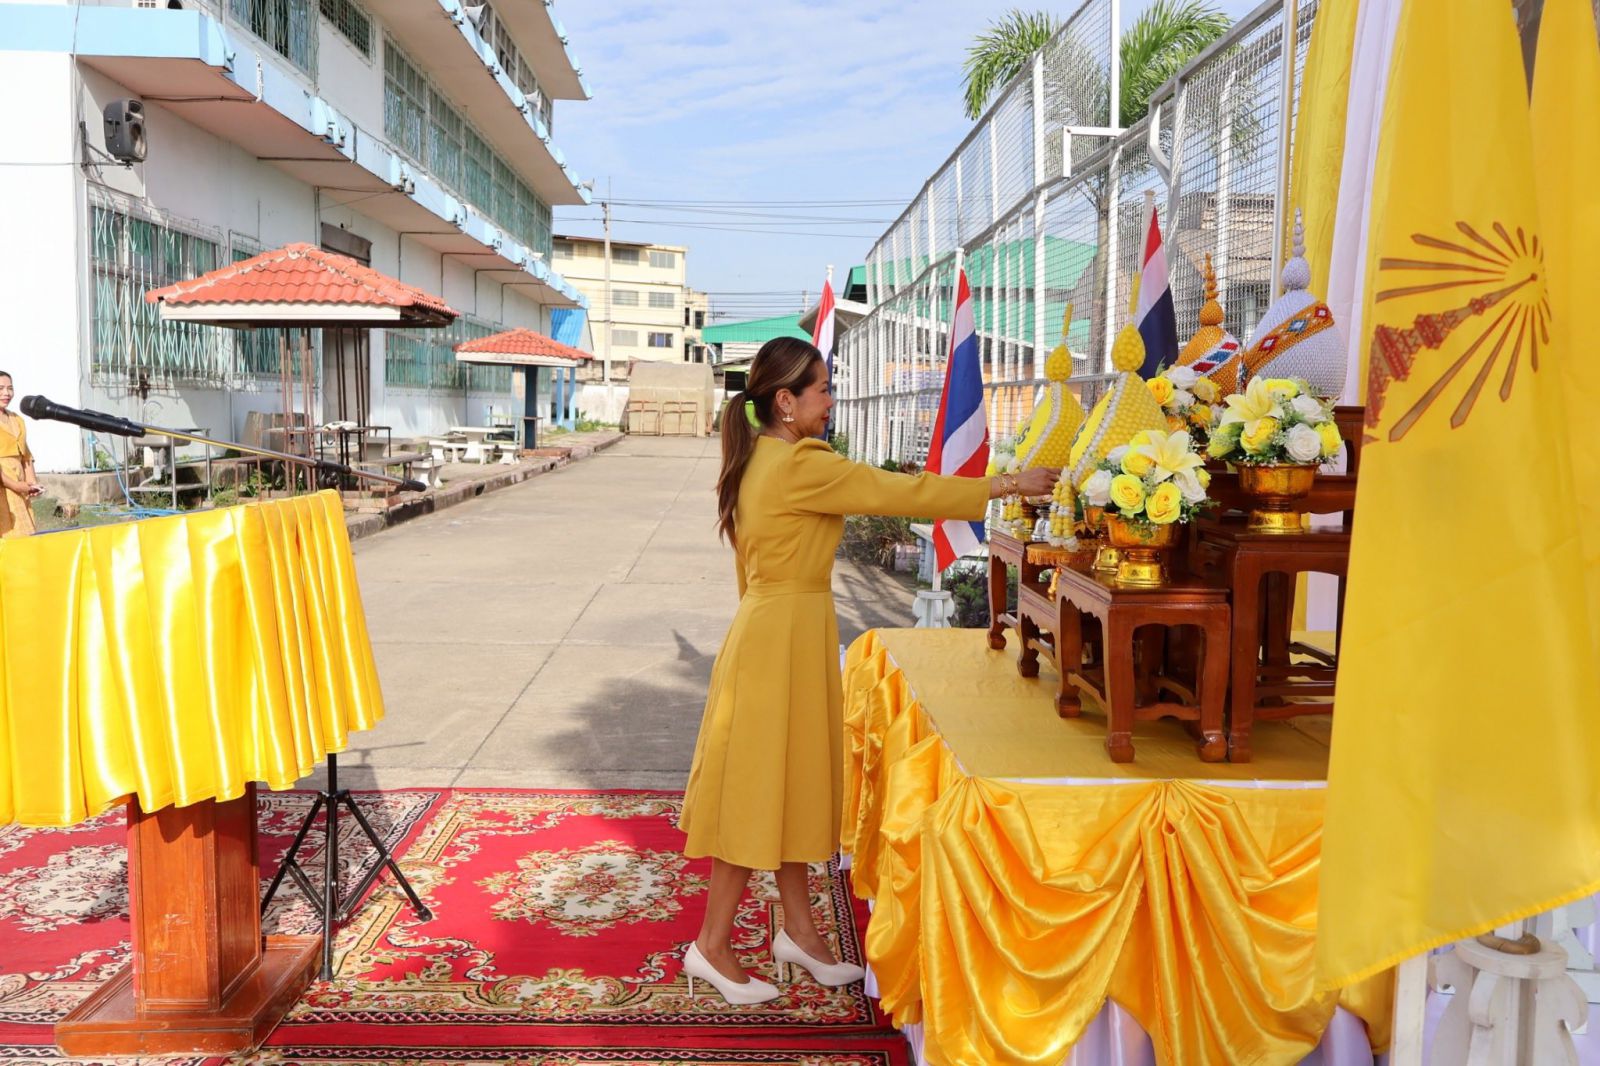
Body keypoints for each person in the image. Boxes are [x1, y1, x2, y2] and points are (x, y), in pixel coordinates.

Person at [678, 336, 1059, 1004]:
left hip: (772, 630)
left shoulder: (757, 457)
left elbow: (749, 570)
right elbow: (900, 491)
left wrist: (767, 632)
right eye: (823, 389)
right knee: (755, 790)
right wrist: (1005, 484)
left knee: (790, 781)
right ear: (786, 401)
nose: (831, 400)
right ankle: (710, 946)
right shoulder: (802, 465)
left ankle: (799, 931)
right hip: (780, 639)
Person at [0, 372, 41, 538]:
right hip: (4, 482)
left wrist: (32, 483)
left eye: (10, 388)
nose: (6, 393)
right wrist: (14, 485)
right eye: (0, 388)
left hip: (19, 481)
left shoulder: (17, 419)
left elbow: (26, 455)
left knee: (24, 533)